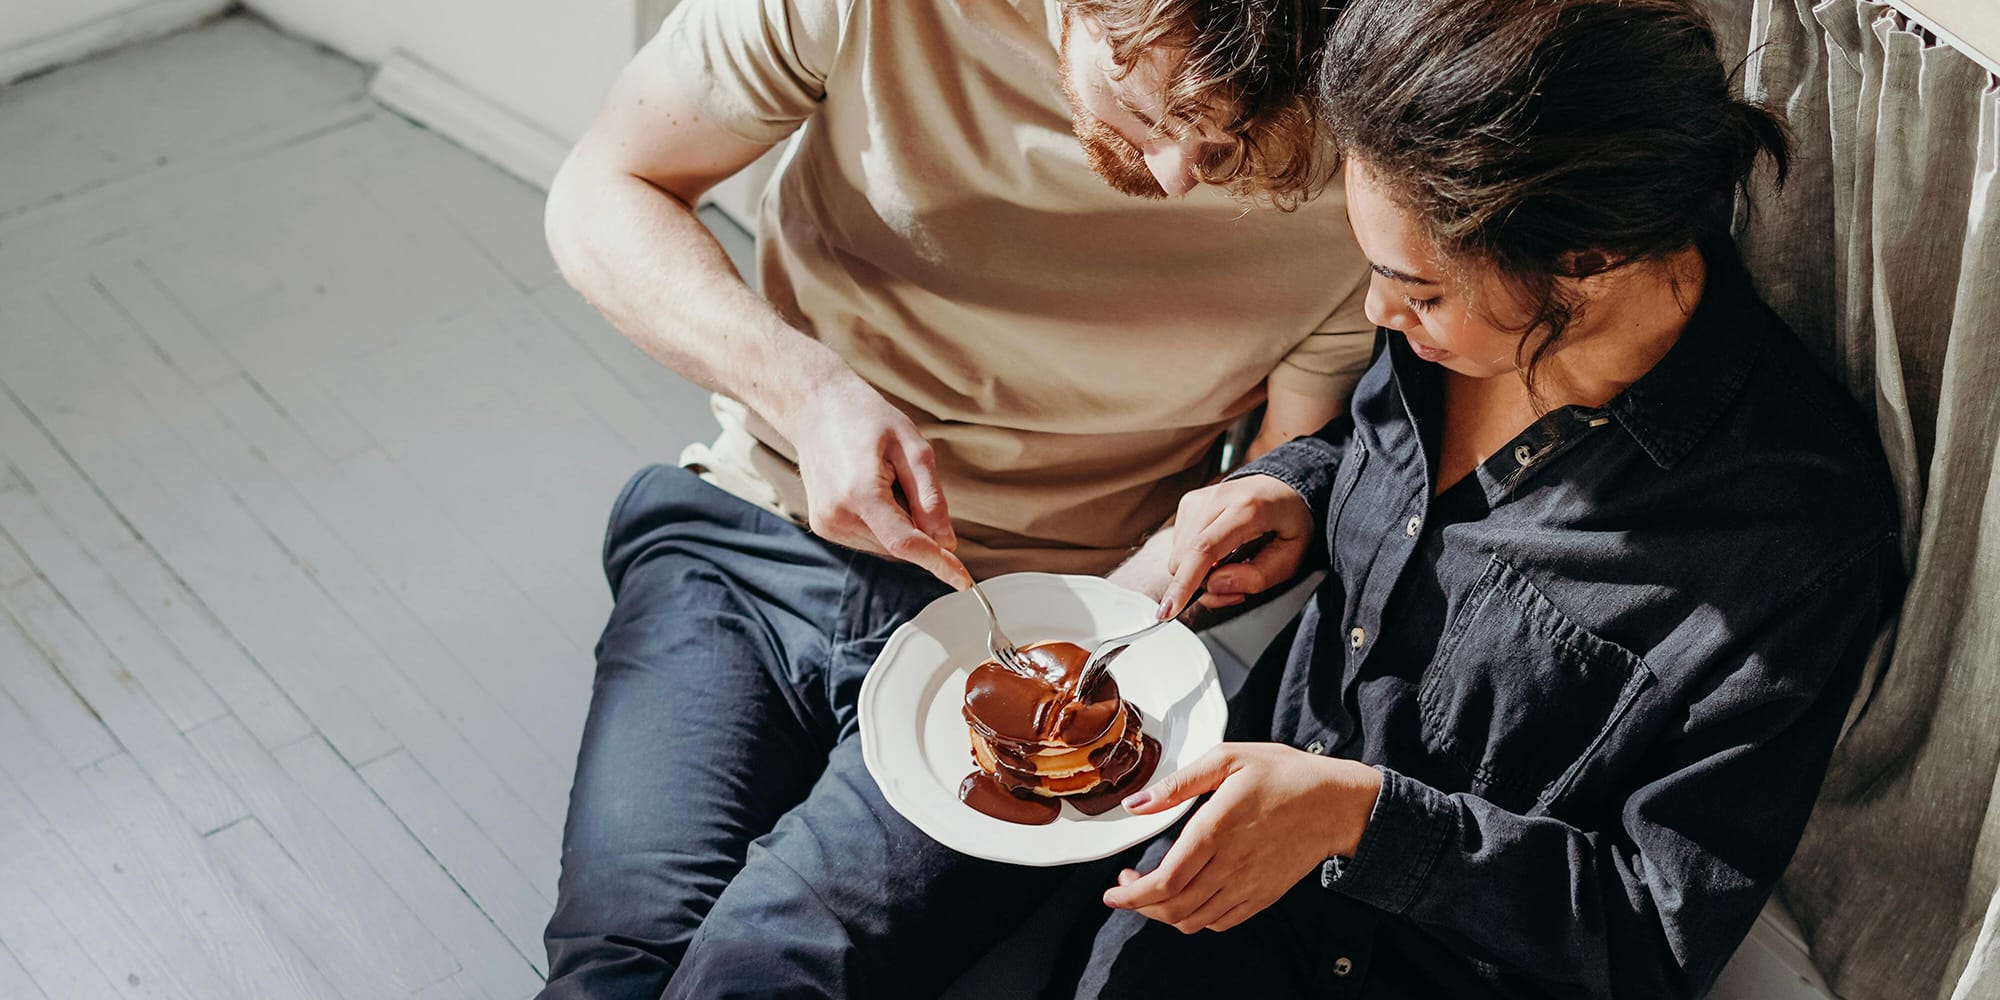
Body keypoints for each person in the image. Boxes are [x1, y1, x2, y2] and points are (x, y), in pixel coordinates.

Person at [1049, 0, 1906, 996]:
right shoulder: (1448, 329)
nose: (1377, 313)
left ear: (1583, 265)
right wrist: (1295, 489)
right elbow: (1411, 494)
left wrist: (1360, 820)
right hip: (1221, 888)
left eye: (1416, 292)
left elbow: (1652, 939)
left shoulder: (1793, 538)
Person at [535, 0, 1374, 996]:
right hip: (751, 529)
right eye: (1148, 112)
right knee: (613, 965)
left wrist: (1252, 507)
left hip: (1056, 625)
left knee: (767, 969)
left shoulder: (1353, 152)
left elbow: (1285, 450)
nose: (1173, 175)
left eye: (1226, 142)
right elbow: (601, 189)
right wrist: (806, 393)